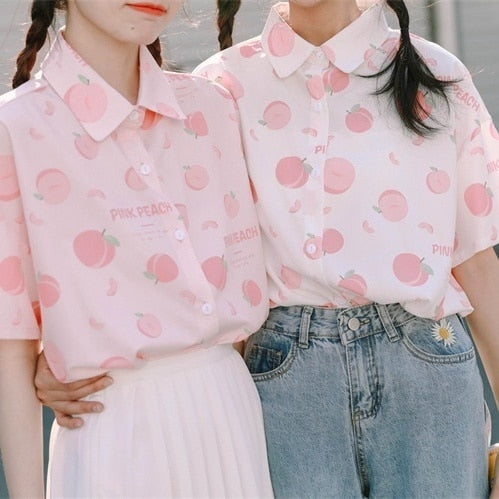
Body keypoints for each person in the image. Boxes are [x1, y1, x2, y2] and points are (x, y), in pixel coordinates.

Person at [35, 0, 499, 497]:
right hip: (283, 369)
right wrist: (69, 345)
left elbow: (474, 260)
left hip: (425, 362)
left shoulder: (435, 74)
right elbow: (172, 253)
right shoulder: (220, 87)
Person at [0, 0, 274, 497]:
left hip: (230, 414)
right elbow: (10, 344)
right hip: (110, 433)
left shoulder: (212, 108)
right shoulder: (16, 129)